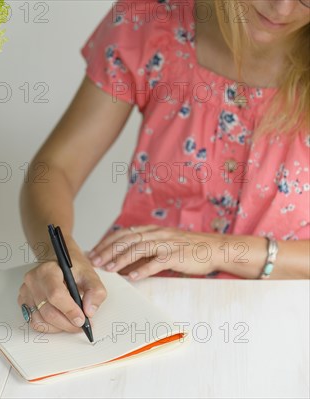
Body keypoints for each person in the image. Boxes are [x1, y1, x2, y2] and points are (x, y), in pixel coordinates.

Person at [18, 0, 310, 335]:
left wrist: (220, 251)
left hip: (288, 324)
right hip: (134, 309)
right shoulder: (149, 19)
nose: (282, 9)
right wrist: (60, 258)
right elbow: (55, 168)